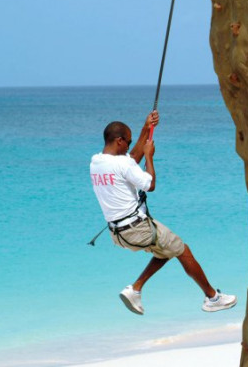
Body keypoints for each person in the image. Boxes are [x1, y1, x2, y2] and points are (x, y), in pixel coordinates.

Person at [90, 111, 237, 315]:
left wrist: (146, 128)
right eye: (129, 142)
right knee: (182, 250)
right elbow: (149, 185)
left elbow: (132, 159)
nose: (130, 146)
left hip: (118, 234)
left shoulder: (96, 162)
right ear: (119, 141)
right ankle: (213, 298)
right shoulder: (122, 163)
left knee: (168, 249)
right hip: (138, 229)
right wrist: (149, 156)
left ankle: (136, 289)